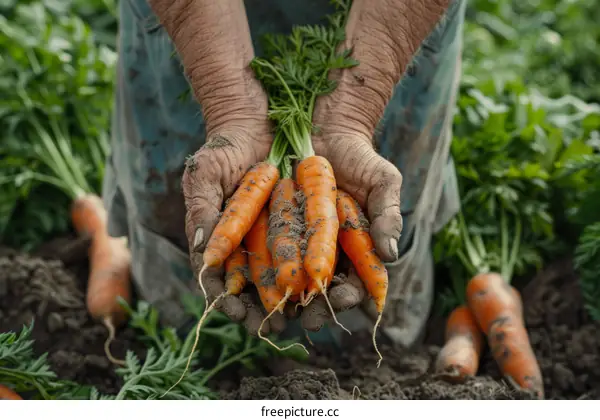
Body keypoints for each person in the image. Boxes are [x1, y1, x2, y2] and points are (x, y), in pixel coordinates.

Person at [102, 0, 466, 349]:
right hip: (191, 20)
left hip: (391, 25)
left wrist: (351, 115)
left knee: (362, 331)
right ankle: (186, 344)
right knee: (189, 224)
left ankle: (371, 359)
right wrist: (232, 107)